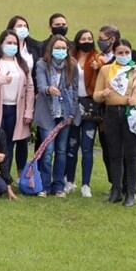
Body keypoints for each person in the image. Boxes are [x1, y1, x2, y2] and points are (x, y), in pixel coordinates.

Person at [94, 39, 136, 207]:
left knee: (131, 155)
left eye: (126, 52)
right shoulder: (106, 70)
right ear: (114, 53)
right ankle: (116, 189)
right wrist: (103, 94)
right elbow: (96, 94)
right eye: (120, 53)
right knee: (114, 153)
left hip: (131, 114)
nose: (123, 55)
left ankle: (131, 192)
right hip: (112, 114)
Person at [0, 29, 34, 181]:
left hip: (15, 109)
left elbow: (30, 88)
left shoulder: (22, 64)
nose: (12, 46)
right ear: (1, 44)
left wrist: (28, 111)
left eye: (14, 43)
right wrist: (1, 80)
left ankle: (7, 177)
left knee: (10, 144)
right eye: (8, 43)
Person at [33, 36, 78, 197]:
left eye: (63, 48)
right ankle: (44, 186)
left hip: (65, 113)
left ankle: (58, 186)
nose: (60, 51)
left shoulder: (72, 66)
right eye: (57, 48)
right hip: (47, 113)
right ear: (51, 49)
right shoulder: (41, 64)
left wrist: (71, 113)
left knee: (61, 150)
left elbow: (74, 90)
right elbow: (41, 86)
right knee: (47, 150)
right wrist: (48, 90)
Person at [65, 29, 102, 198]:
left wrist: (98, 67)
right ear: (77, 40)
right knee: (71, 145)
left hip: (90, 107)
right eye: (83, 38)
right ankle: (69, 181)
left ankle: (86, 184)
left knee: (87, 148)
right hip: (73, 104)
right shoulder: (70, 58)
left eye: (89, 38)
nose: (86, 41)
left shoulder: (97, 58)